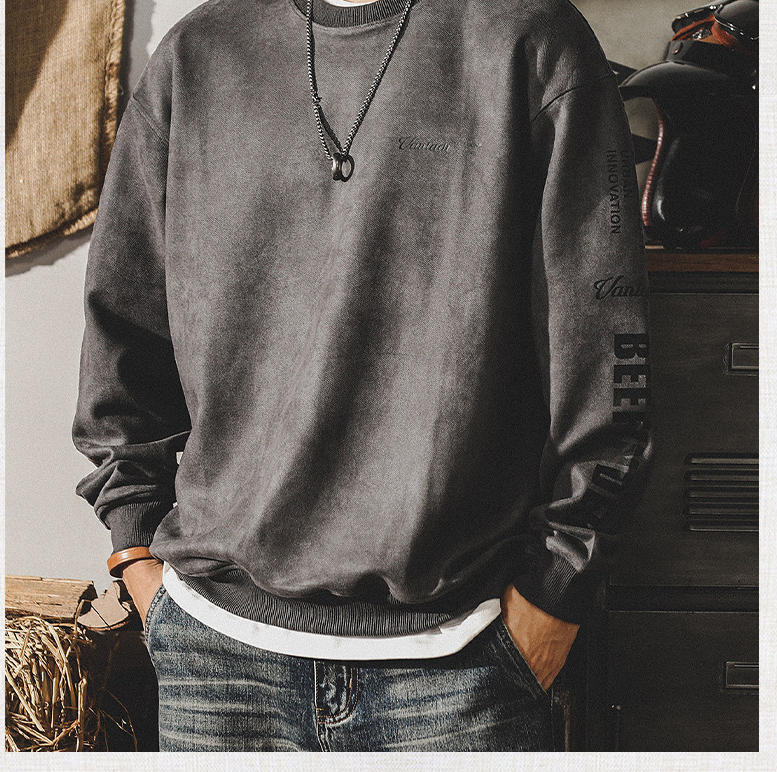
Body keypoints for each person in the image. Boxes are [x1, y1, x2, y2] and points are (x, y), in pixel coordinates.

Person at [72, 0, 653, 752]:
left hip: (459, 662)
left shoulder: (530, 41)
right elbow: (123, 327)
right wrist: (134, 547)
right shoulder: (197, 54)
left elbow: (607, 350)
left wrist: (560, 586)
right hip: (216, 660)